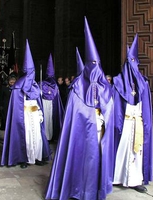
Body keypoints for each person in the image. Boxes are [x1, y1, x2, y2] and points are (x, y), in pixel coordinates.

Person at [45, 16, 114, 200]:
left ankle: (94, 191)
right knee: (79, 159)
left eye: (97, 65)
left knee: (95, 162)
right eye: (91, 65)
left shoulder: (105, 88)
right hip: (81, 133)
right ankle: (76, 189)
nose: (95, 69)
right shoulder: (77, 88)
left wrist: (101, 117)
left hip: (99, 132)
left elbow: (110, 108)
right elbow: (73, 116)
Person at [112, 34, 153, 193]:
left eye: (134, 63)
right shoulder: (117, 83)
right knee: (122, 149)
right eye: (129, 63)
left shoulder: (143, 83)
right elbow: (116, 106)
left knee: (137, 152)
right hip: (124, 123)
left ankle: (135, 180)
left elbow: (146, 106)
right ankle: (117, 177)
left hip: (138, 123)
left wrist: (145, 123)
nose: (132, 67)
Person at [1, 39, 51, 169]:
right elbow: (16, 105)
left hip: (35, 114)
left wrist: (40, 113)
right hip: (24, 116)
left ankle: (38, 157)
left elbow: (37, 101)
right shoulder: (18, 86)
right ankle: (24, 158)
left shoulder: (35, 86)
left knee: (38, 136)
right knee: (26, 137)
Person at [40, 54, 64, 142]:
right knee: (47, 119)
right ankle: (47, 136)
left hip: (49, 105)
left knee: (49, 120)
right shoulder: (43, 84)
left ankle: (48, 136)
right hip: (47, 104)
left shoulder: (42, 84)